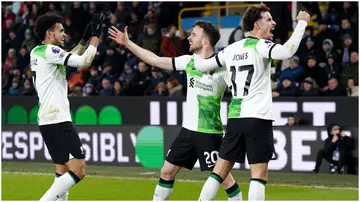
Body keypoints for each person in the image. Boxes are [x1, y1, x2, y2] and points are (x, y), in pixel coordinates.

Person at [108, 21, 242, 201]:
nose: (188, 37)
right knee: (166, 171)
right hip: (187, 132)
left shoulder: (222, 68)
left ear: (205, 41)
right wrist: (128, 43)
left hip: (209, 133)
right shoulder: (189, 62)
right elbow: (155, 60)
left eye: (193, 34)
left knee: (225, 179)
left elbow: (241, 89)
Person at [190, 5, 310, 200]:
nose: (274, 23)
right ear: (257, 24)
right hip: (258, 118)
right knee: (259, 174)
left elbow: (203, 65)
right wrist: (302, 23)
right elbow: (287, 52)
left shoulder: (230, 49)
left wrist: (197, 48)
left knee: (218, 172)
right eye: (269, 19)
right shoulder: (261, 46)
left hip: (236, 118)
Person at [31, 12, 103, 201]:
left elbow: (70, 57)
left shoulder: (38, 53)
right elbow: (84, 62)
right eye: (61, 31)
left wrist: (85, 39)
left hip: (47, 120)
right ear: (49, 33)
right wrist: (95, 37)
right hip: (58, 119)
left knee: (62, 173)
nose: (64, 34)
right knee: (78, 170)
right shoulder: (49, 51)